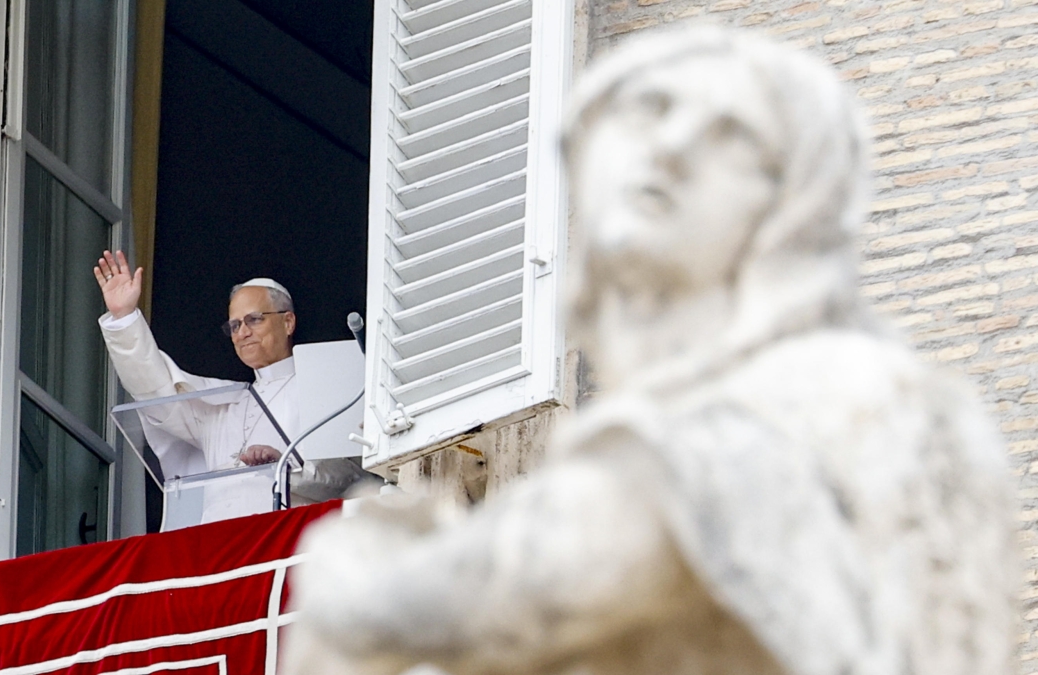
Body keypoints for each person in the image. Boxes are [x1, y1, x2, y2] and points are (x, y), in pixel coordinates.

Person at [282, 26, 1015, 675]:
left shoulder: (709, 427)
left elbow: (507, 592)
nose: (662, 155)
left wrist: (355, 570)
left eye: (715, 137)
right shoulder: (925, 407)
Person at [93, 250, 375, 523]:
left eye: (254, 319)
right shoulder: (222, 406)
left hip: (288, 544)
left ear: (288, 322)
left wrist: (287, 466)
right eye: (234, 325)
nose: (242, 333)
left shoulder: (324, 387)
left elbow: (355, 479)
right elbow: (155, 389)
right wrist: (125, 318)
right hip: (219, 549)